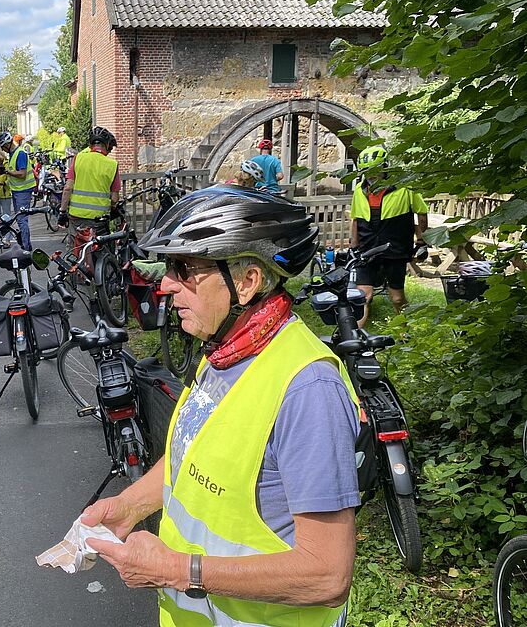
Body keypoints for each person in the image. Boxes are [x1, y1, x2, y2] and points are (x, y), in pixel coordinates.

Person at [83, 186, 360, 627]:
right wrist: (131, 504)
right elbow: (192, 457)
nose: (165, 285)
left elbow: (327, 575)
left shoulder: (308, 390)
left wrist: (178, 570)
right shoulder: (225, 350)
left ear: (247, 281)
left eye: (185, 269)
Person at [350, 145, 428, 327]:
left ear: (385, 168)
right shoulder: (359, 191)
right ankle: (356, 338)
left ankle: (404, 332)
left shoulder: (405, 188)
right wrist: (353, 246)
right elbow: (355, 219)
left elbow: (421, 212)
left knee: (397, 298)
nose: (371, 175)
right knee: (363, 296)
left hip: (395, 249)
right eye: (367, 171)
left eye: (376, 170)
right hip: (367, 249)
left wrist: (422, 240)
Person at [56, 126, 120, 232]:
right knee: (100, 247)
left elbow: (67, 188)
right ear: (107, 144)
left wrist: (62, 211)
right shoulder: (112, 165)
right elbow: (114, 198)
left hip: (76, 217)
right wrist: (113, 208)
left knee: (75, 246)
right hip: (99, 219)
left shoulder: (78, 158)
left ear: (90, 144)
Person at [0, 132, 36, 250]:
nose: (3, 150)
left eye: (3, 147)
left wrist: (7, 172)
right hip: (17, 190)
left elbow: (22, 174)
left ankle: (26, 247)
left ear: (7, 144)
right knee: (20, 217)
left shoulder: (20, 153)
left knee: (21, 219)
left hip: (23, 191)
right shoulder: (12, 153)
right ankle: (25, 244)